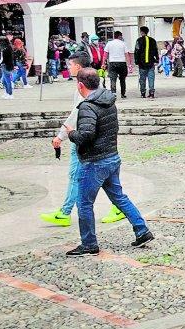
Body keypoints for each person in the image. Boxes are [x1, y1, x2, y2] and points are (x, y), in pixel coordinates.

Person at [62, 68, 153, 256]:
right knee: (119, 197)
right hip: (112, 156)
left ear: (80, 85)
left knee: (84, 203)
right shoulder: (108, 100)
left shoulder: (87, 106)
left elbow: (86, 135)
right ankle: (142, 230)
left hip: (94, 161)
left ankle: (89, 243)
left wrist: (71, 133)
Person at [40, 55, 126, 227]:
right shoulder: (97, 90)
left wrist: (61, 136)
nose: (68, 67)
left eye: (70, 64)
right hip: (95, 141)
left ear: (78, 67)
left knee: (79, 176)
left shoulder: (85, 92)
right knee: (99, 179)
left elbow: (76, 115)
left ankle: (66, 213)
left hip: (83, 138)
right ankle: (116, 207)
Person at [133, 27, 159, 99]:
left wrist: (136, 61)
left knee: (142, 78)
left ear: (141, 32)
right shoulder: (153, 40)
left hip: (142, 63)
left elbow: (136, 51)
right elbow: (156, 50)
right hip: (151, 62)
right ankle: (151, 92)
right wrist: (157, 59)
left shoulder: (139, 40)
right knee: (151, 78)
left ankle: (143, 93)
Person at [104, 31, 129, 98]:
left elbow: (105, 54)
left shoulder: (109, 43)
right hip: (122, 63)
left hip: (112, 63)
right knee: (122, 79)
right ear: (119, 36)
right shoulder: (123, 44)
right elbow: (126, 54)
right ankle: (123, 94)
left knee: (113, 79)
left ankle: (114, 93)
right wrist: (129, 65)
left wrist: (104, 63)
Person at [0, 35, 16, 100]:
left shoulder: (5, 49)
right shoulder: (9, 47)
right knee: (4, 80)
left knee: (7, 80)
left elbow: (2, 59)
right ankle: (7, 93)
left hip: (6, 66)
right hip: (8, 65)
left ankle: (10, 94)